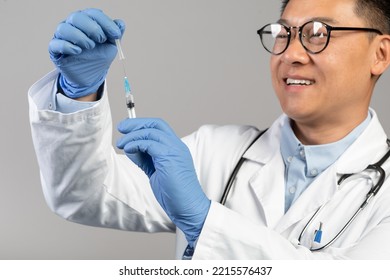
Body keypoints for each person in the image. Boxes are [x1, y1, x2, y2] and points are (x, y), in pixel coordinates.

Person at [29, 0, 390, 259]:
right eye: (284, 33)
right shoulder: (215, 152)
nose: (290, 53)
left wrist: (205, 220)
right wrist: (78, 94)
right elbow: (83, 195)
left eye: (317, 33)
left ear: (380, 54)